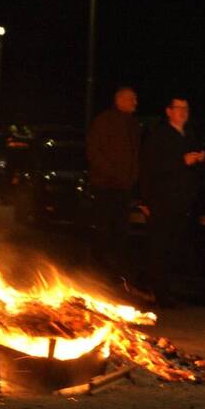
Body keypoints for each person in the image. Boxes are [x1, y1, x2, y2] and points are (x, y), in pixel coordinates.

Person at [139, 95, 205, 307]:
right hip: (162, 199)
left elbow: (193, 171)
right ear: (169, 111)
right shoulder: (159, 135)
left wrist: (199, 160)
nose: (183, 112)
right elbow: (151, 167)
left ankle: (168, 290)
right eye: (179, 108)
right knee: (160, 246)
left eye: (186, 108)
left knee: (174, 247)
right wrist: (181, 161)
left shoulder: (189, 136)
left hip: (183, 201)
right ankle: (157, 292)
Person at [86, 86, 141, 279]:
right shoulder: (104, 121)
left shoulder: (134, 123)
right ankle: (97, 271)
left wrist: (132, 176)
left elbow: (136, 153)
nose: (136, 102)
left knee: (120, 231)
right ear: (120, 100)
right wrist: (113, 174)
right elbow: (94, 152)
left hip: (124, 187)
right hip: (105, 186)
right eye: (132, 99)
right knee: (104, 229)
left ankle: (116, 272)